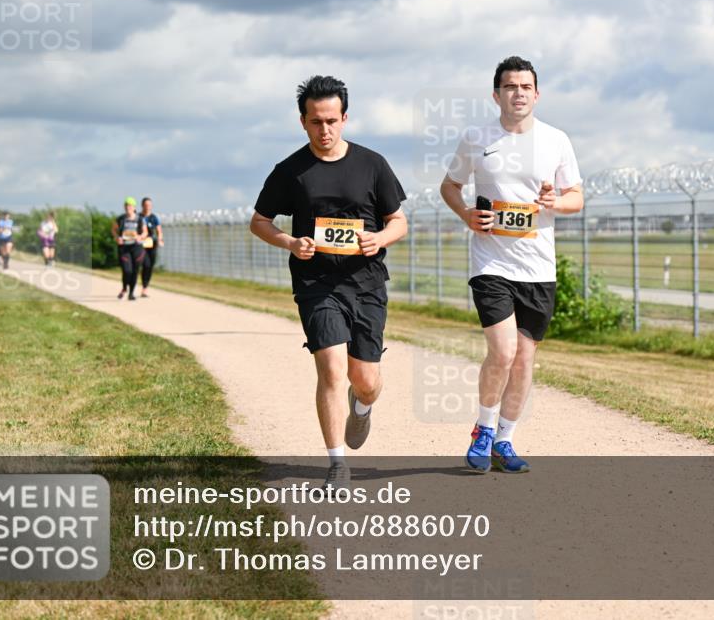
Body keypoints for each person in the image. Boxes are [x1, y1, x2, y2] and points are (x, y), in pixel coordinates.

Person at [249, 75, 407, 492]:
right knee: (332, 368)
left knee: (365, 379)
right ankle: (337, 463)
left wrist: (380, 238)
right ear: (303, 122)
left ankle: (363, 405)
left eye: (332, 121)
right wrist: (289, 242)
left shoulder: (373, 165)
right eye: (316, 122)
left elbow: (399, 221)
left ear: (345, 118)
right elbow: (259, 222)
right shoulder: (291, 171)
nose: (325, 130)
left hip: (367, 282)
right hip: (316, 282)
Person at [440, 56, 584, 473]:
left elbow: (576, 196)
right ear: (496, 94)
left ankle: (505, 439)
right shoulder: (475, 137)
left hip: (538, 268)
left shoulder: (556, 140)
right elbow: (450, 185)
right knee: (503, 351)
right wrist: (466, 213)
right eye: (510, 86)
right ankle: (483, 430)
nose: (518, 93)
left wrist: (558, 201)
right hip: (491, 263)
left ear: (536, 94)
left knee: (524, 359)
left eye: (525, 87)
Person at [111, 197, 147, 300]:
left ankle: (131, 293)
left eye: (130, 206)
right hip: (124, 248)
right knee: (127, 270)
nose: (128, 207)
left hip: (137, 247)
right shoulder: (121, 219)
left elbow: (145, 232)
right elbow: (113, 230)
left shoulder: (140, 219)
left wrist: (140, 236)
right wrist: (117, 238)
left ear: (134, 207)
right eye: (126, 205)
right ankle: (124, 288)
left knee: (135, 271)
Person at [139, 197, 163, 297]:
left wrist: (160, 239)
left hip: (152, 244)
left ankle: (145, 287)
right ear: (142, 206)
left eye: (149, 205)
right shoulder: (138, 217)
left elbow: (159, 231)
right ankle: (143, 286)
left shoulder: (154, 218)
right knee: (145, 264)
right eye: (146, 205)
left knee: (150, 266)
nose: (148, 207)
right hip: (141, 244)